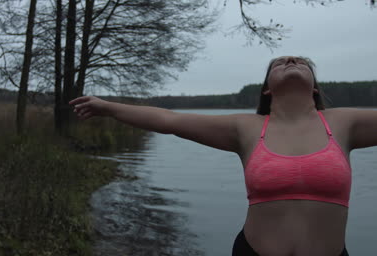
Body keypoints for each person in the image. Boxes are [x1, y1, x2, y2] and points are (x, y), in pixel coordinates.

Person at [69, 56, 377, 256]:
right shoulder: (245, 128)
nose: (291, 60)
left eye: (302, 63)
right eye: (278, 63)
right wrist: (108, 107)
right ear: (267, 89)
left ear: (315, 87)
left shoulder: (343, 122)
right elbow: (169, 121)